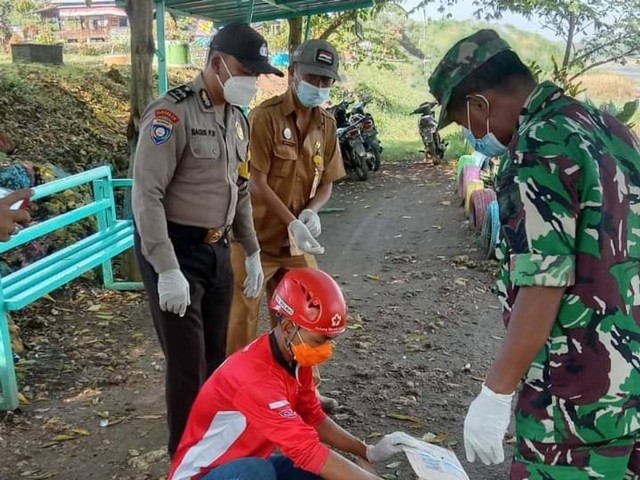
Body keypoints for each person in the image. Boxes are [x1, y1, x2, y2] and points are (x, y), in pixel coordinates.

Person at [428, 29, 640, 479]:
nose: (473, 136)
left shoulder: (537, 146)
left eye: (467, 124)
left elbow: (544, 280)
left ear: (480, 105)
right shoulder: (606, 127)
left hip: (576, 404)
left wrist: (496, 391)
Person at [132, 23, 283, 458]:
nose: (251, 82)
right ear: (216, 63)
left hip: (217, 250)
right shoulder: (170, 113)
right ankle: (184, 457)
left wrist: (251, 251)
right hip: (174, 249)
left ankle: (213, 448)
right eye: (245, 70)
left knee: (217, 360)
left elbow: (238, 191)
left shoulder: (237, 120)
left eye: (257, 74)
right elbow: (147, 196)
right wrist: (166, 268)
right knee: (187, 364)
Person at [169, 268, 419, 480]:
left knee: (318, 473)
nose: (326, 349)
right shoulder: (253, 378)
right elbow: (307, 449)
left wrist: (366, 451)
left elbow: (312, 416)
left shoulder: (296, 357)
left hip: (240, 464)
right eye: (320, 339)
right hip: (203, 475)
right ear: (288, 327)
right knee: (259, 471)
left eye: (331, 340)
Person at [226, 39, 346, 412]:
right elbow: (257, 183)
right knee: (242, 320)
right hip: (254, 240)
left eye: (327, 81)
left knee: (309, 315)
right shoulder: (265, 117)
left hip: (296, 244)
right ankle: (237, 395)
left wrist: (311, 212)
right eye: (312, 77)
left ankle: (303, 393)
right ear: (293, 74)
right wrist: (292, 220)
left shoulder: (326, 124)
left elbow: (327, 179)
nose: (319, 87)